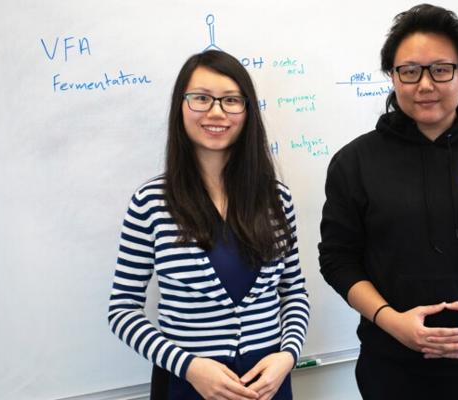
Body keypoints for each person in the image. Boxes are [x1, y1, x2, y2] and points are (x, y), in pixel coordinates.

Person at [318, 4, 458, 399]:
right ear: (393, 77)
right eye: (409, 71)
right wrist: (392, 322)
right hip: (390, 370)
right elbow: (338, 260)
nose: (424, 85)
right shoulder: (354, 162)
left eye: (441, 69)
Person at [108, 50, 309, 400]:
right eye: (201, 98)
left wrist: (287, 356)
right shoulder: (151, 202)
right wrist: (188, 366)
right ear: (181, 106)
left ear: (247, 111)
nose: (216, 112)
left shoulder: (276, 199)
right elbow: (122, 309)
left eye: (231, 100)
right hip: (187, 384)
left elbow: (294, 293)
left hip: (267, 384)